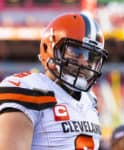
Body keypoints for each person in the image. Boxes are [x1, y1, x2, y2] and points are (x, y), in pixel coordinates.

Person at [0, 12, 108, 150]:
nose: (85, 62)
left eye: (91, 57)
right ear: (48, 48)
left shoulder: (90, 101)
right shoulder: (28, 89)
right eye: (75, 51)